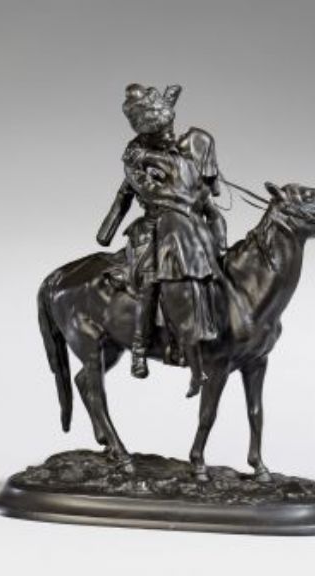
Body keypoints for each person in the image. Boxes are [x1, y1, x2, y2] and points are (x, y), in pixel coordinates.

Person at [97, 83, 245, 396]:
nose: (165, 136)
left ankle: (215, 326)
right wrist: (107, 230)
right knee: (150, 282)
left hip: (194, 219)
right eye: (157, 133)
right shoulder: (137, 157)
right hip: (155, 227)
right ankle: (140, 348)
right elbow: (127, 196)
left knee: (219, 263)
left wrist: (206, 206)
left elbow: (210, 193)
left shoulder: (193, 144)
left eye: (167, 129)